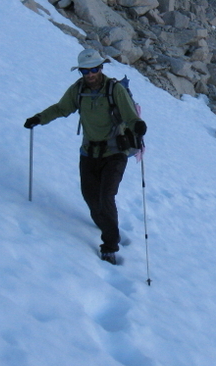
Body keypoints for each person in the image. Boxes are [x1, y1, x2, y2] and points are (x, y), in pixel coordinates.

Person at [24, 49, 146, 265]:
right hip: (88, 153)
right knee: (90, 197)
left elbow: (129, 115)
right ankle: (105, 223)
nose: (90, 74)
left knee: (106, 196)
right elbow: (62, 108)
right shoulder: (78, 90)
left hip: (114, 153)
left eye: (94, 69)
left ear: (101, 68)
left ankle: (110, 245)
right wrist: (39, 118)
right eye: (85, 71)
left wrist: (137, 125)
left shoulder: (114, 89)